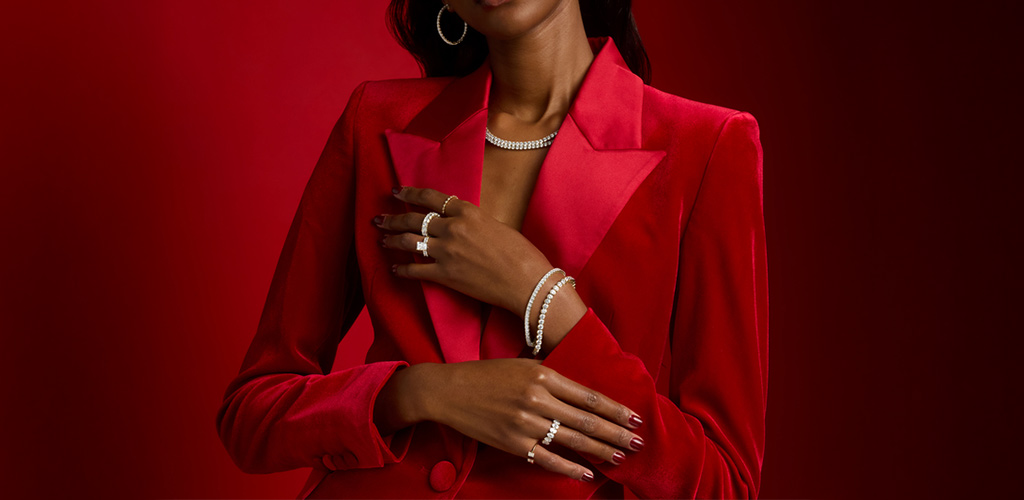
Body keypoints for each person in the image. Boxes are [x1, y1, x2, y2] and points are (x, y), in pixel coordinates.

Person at [216, 0, 768, 498]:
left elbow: (723, 483)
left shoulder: (707, 147)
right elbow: (252, 415)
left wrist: (543, 297)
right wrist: (424, 393)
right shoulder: (377, 121)